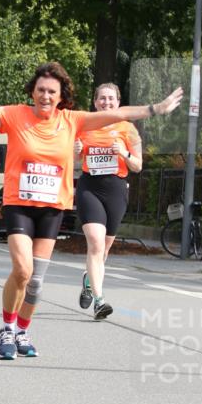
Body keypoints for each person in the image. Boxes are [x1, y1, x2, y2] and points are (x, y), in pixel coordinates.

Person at [0, 38, 182, 360]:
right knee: (22, 270)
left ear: (61, 98)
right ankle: (6, 328)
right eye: (41, 90)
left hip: (52, 207)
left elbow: (118, 114)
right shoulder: (14, 116)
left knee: (36, 283)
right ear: (33, 91)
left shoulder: (72, 121)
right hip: (19, 203)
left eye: (52, 92)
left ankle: (22, 331)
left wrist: (155, 109)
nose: (45, 96)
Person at [75, 83, 143, 320]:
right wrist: (77, 150)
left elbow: (138, 165)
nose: (106, 102)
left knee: (103, 251)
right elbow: (70, 158)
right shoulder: (84, 125)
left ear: (118, 102)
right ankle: (100, 302)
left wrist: (123, 153)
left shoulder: (129, 129)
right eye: (102, 99)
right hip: (89, 188)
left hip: (115, 190)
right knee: (95, 243)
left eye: (111, 99)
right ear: (95, 102)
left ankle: (88, 281)